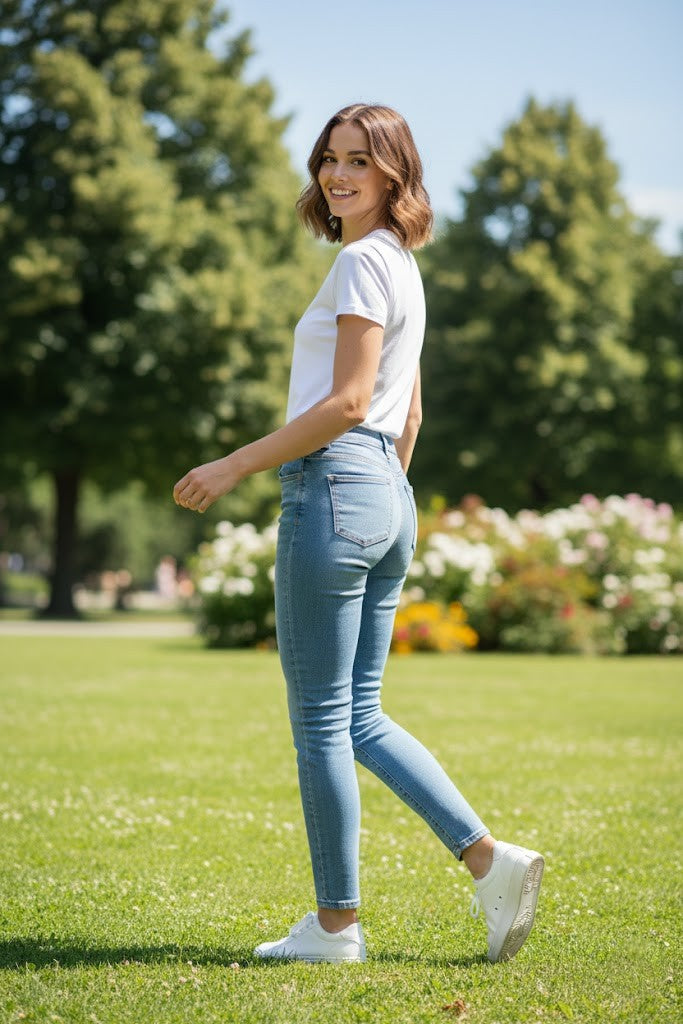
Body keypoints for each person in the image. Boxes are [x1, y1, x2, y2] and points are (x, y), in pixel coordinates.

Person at [173, 103, 544, 965]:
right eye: (329, 160)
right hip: (385, 492)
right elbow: (405, 409)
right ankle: (491, 863)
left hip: (337, 486)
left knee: (320, 723)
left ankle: (336, 928)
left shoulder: (358, 265)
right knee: (360, 716)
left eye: (359, 162)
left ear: (393, 177)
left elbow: (345, 404)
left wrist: (233, 465)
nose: (337, 176)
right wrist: (387, 494)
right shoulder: (402, 267)